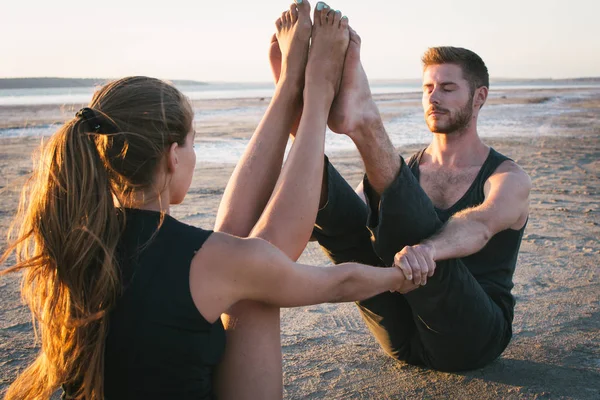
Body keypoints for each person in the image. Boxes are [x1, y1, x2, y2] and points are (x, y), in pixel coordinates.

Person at [0, 3, 412, 399]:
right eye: (193, 143)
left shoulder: (72, 239)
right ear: (173, 155)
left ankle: (291, 90)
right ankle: (315, 95)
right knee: (255, 279)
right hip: (238, 273)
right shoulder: (213, 261)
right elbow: (337, 283)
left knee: (246, 262)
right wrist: (400, 275)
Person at [311, 42, 532, 372]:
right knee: (344, 212)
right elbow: (347, 226)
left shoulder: (507, 177)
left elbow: (481, 225)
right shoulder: (404, 173)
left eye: (447, 88)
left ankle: (365, 123)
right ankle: (303, 111)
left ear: (479, 97)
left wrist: (426, 250)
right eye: (428, 87)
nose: (434, 97)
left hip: (471, 338)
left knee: (406, 217)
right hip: (401, 335)